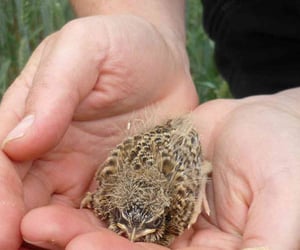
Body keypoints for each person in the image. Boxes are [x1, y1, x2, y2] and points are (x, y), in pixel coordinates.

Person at [0, 1, 299, 249]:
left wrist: (292, 113)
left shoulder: (175, 205)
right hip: (260, 62)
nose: (131, 237)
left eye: (143, 231)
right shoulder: (114, 194)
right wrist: (145, 25)